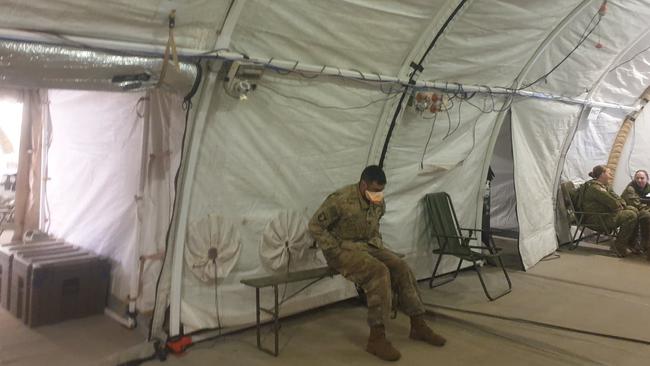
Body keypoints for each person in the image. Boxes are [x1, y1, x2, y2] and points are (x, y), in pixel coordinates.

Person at [308, 165, 445, 361]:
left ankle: (418, 325)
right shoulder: (340, 199)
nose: (378, 194)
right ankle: (376, 338)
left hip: (369, 246)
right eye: (374, 190)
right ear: (363, 184)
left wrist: (378, 245)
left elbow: (375, 223)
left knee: (400, 266)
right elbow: (315, 225)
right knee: (378, 271)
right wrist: (333, 248)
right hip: (342, 250)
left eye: (381, 190)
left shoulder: (378, 199)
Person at [575, 165, 639, 257]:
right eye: (609, 173)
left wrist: (621, 204)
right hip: (597, 218)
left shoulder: (605, 186)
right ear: (602, 174)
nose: (611, 174)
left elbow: (618, 199)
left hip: (605, 215)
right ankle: (619, 246)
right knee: (631, 215)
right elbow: (613, 203)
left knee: (633, 209)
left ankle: (629, 243)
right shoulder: (595, 188)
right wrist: (618, 205)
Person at [621, 169, 650, 256]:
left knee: (646, 216)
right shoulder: (630, 188)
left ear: (647, 179)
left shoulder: (648, 188)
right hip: (631, 210)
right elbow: (636, 204)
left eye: (642, 178)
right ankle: (640, 245)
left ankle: (645, 245)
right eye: (637, 178)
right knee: (646, 216)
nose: (639, 180)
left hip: (642, 209)